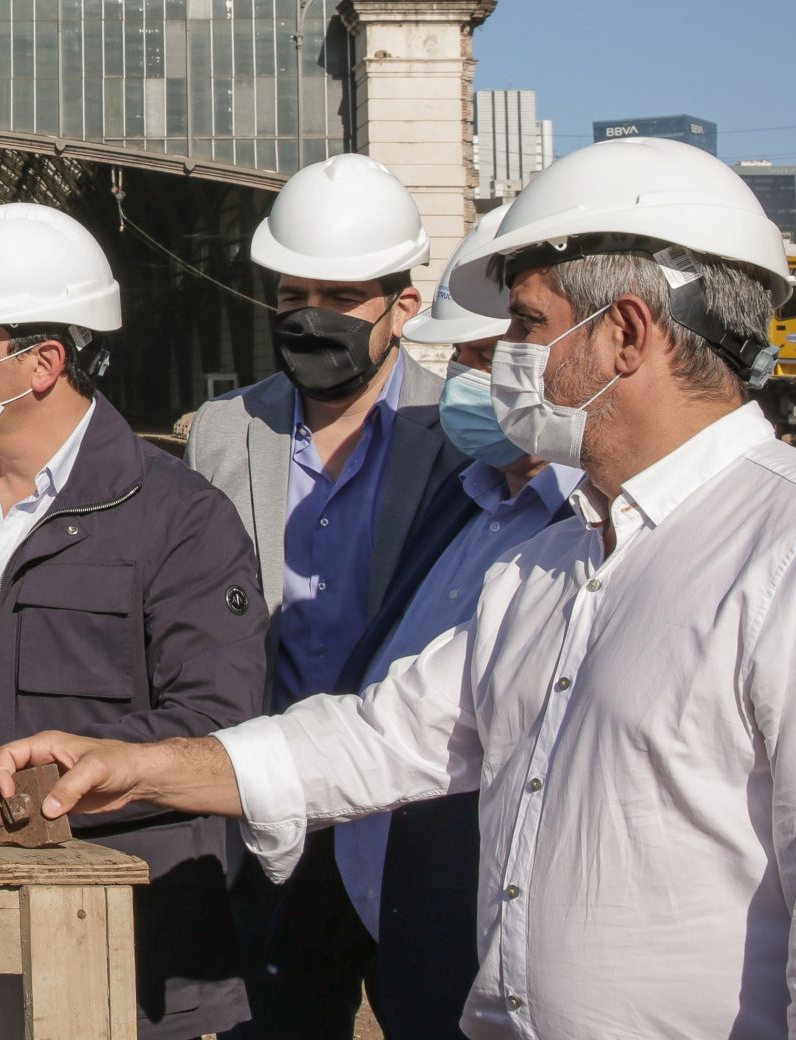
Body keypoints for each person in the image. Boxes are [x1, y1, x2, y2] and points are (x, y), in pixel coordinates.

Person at [0, 136, 796, 1040]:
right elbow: (386, 736)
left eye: (527, 327)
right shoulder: (550, 564)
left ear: (625, 332)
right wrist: (146, 766)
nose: (502, 356)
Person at [0, 203, 266, 1040]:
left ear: (43, 363)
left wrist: (1, 776)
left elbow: (217, 727)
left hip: (112, 939)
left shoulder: (179, 519)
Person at [253, 209, 582, 1038]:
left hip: (466, 897)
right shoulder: (471, 507)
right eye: (466, 357)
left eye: (491, 354)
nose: (475, 381)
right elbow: (404, 712)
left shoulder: (584, 536)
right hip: (374, 881)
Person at [181, 152, 464, 1031]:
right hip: (276, 811)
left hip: (415, 816)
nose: (311, 319)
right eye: (293, 296)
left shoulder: (458, 438)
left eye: (341, 301)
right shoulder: (228, 432)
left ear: (401, 309)